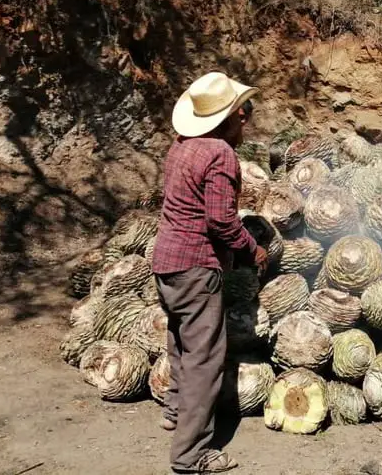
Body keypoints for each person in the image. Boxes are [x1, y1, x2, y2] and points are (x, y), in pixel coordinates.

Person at [152, 71, 268, 474]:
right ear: (230, 118)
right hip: (196, 265)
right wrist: (253, 250)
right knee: (205, 357)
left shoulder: (180, 147)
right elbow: (220, 220)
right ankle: (191, 455)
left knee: (181, 344)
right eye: (243, 114)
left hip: (166, 262)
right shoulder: (219, 154)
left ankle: (175, 412)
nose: (246, 122)